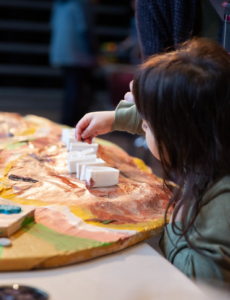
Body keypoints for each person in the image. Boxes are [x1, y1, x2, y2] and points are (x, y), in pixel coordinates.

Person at [75, 38, 230, 284]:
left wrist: (175, 224)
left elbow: (205, 280)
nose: (142, 127)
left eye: (146, 125)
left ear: (177, 136)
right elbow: (169, 117)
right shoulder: (209, 140)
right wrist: (115, 119)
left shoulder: (222, 201)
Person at [49, 0, 97, 127]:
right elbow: (85, 29)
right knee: (78, 94)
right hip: (79, 54)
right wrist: (95, 53)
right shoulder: (81, 4)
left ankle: (68, 126)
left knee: (71, 92)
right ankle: (77, 127)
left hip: (62, 52)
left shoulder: (60, 4)